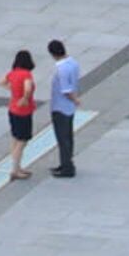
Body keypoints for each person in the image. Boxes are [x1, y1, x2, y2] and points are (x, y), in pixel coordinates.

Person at [44, 38, 81, 177]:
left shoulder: (62, 69)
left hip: (61, 107)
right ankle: (66, 163)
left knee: (63, 138)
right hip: (69, 108)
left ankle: (67, 168)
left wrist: (75, 99)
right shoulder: (73, 63)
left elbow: (66, 90)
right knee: (68, 137)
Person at [2, 48, 39, 182]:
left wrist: (13, 91)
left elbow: (2, 82)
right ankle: (15, 169)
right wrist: (24, 98)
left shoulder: (12, 73)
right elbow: (28, 88)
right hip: (23, 112)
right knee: (22, 141)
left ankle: (17, 166)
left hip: (12, 109)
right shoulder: (26, 75)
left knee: (15, 138)